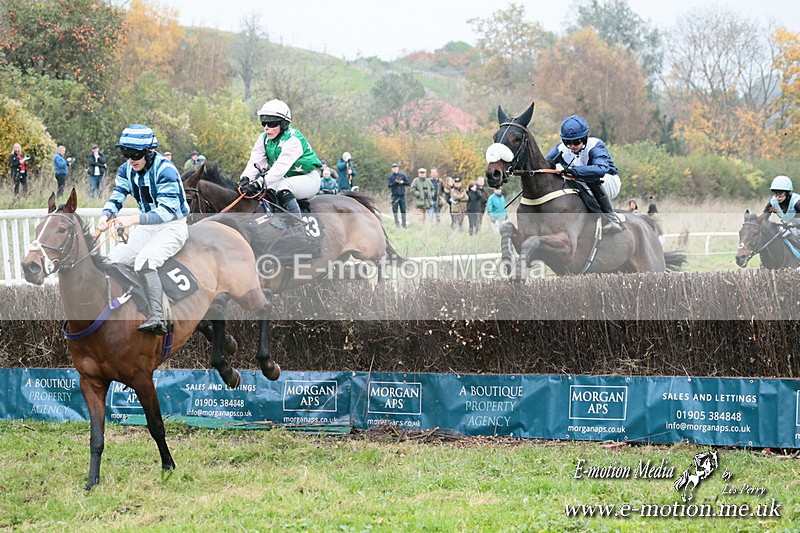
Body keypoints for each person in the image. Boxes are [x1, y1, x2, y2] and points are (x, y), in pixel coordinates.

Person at [97, 124, 189, 335]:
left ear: (149, 152)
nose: (131, 159)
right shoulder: (126, 169)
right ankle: (139, 304)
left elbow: (166, 212)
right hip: (148, 228)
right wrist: (105, 216)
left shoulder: (166, 170)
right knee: (111, 262)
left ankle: (158, 318)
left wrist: (131, 220)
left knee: (145, 261)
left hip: (172, 226)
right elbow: (117, 196)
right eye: (126, 154)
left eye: (135, 154)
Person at [238, 99, 322, 228]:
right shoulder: (263, 138)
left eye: (271, 124)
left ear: (283, 124)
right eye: (264, 122)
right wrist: (245, 178)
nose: (266, 127)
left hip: (308, 179)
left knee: (283, 187)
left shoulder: (294, 139)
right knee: (265, 191)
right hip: (284, 178)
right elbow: (255, 160)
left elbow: (279, 169)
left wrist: (257, 183)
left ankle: (298, 227)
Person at [545, 115, 624, 232]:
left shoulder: (595, 145)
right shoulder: (560, 148)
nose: (572, 146)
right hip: (580, 181)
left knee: (589, 180)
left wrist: (573, 170)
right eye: (568, 142)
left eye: (576, 142)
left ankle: (612, 219)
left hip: (608, 180)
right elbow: (545, 164)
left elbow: (601, 169)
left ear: (585, 138)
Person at [387, 162, 410, 228]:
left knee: (403, 210)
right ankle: (397, 224)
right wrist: (395, 182)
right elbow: (389, 185)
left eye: (396, 167)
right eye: (393, 168)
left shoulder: (402, 175)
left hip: (402, 196)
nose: (395, 169)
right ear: (392, 169)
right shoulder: (390, 177)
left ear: (398, 168)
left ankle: (404, 224)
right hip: (395, 196)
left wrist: (403, 182)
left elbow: (408, 183)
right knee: (395, 211)